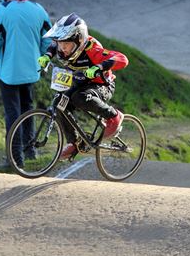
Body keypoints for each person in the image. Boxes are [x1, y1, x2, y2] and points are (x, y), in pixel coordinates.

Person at [0, 0, 52, 167]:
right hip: (31, 69)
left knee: (12, 112)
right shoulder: (38, 10)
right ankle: (30, 151)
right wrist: (43, 58)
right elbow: (48, 37)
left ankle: (14, 159)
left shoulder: (0, 11)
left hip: (9, 72)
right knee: (27, 107)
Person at [38, 12, 129, 160]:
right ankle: (75, 143)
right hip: (80, 80)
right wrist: (47, 56)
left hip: (102, 84)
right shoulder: (61, 45)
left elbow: (122, 59)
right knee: (61, 102)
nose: (62, 49)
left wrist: (98, 67)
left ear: (79, 40)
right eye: (61, 44)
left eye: (66, 44)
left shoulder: (92, 49)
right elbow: (54, 44)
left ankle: (114, 116)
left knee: (80, 97)